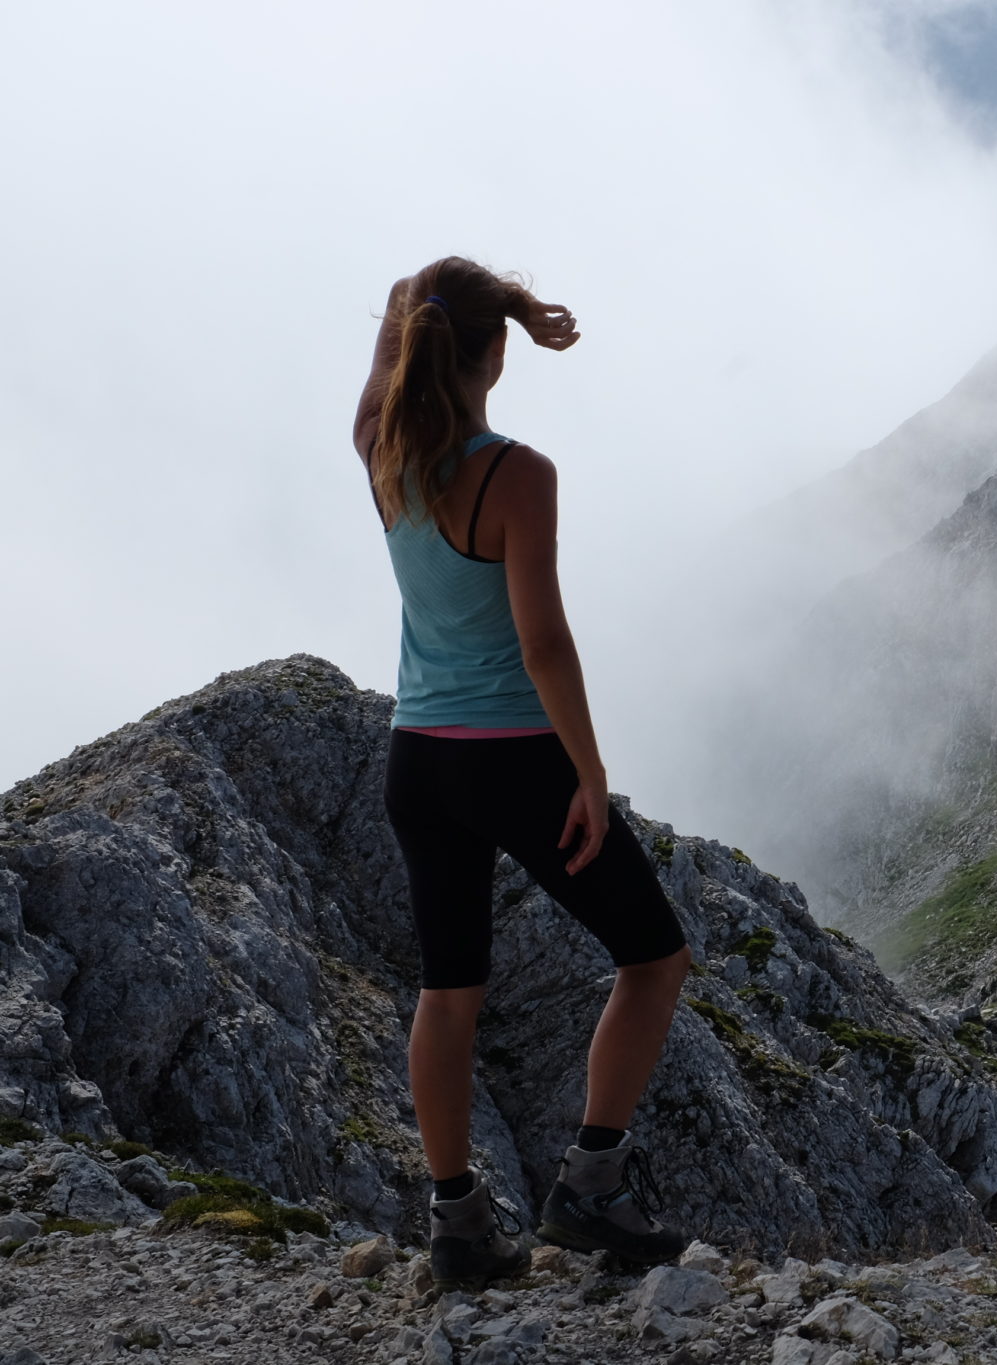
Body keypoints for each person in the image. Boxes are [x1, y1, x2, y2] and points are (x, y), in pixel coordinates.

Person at [353, 256, 695, 1290]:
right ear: (495, 357)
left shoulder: (378, 445)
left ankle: (457, 1223)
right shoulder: (518, 475)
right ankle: (590, 1188)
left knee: (447, 994)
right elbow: (542, 642)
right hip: (514, 760)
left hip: (418, 759)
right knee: (652, 957)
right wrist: (588, 774)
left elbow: (395, 332)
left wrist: (464, 301)